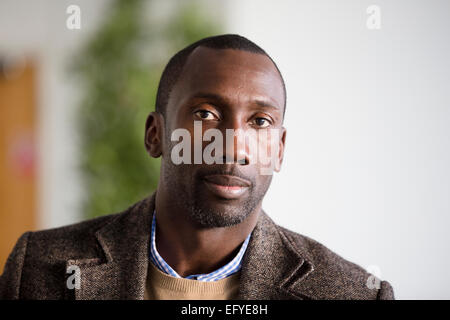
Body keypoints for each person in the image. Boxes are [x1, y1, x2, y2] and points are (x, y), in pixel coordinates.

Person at [0, 34, 394, 300]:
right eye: (205, 113)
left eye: (260, 122)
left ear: (279, 149)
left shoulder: (353, 293)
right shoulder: (38, 267)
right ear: (155, 135)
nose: (234, 145)